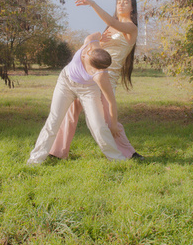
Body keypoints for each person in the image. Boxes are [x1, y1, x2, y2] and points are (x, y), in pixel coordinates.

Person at [49, 0, 143, 160]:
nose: (121, 5)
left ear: (132, 7)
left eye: (125, 2)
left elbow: (112, 21)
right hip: (91, 74)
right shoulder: (110, 28)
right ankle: (57, 153)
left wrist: (92, 3)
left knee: (108, 119)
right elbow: (98, 50)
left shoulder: (131, 28)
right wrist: (97, 38)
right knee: (71, 112)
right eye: (118, 2)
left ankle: (130, 154)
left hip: (107, 77)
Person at [27, 32, 128, 165]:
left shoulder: (100, 76)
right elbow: (94, 36)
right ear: (88, 53)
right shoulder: (90, 42)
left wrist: (114, 124)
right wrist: (100, 35)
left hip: (88, 90)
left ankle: (117, 159)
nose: (92, 71)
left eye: (94, 71)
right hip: (66, 83)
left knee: (98, 126)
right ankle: (35, 160)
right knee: (53, 120)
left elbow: (111, 102)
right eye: (91, 68)